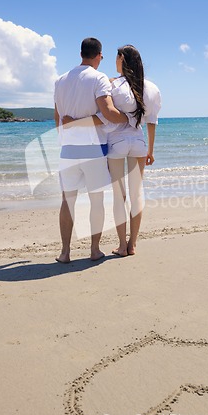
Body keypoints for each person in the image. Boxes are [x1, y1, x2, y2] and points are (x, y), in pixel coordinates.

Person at [63, 45, 161, 257]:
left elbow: (104, 116)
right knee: (136, 194)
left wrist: (73, 122)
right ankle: (133, 244)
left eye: (116, 57)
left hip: (116, 143)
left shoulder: (112, 84)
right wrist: (151, 150)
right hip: (138, 143)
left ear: (121, 59)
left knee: (120, 196)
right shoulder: (151, 88)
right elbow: (152, 122)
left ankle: (121, 246)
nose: (114, 61)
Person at [54, 37, 127, 263]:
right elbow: (107, 111)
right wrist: (128, 118)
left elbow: (58, 118)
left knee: (67, 201)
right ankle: (94, 250)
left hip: (68, 149)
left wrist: (68, 130)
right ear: (99, 55)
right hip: (93, 148)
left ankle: (65, 252)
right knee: (96, 200)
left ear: (81, 54)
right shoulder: (99, 78)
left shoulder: (60, 80)